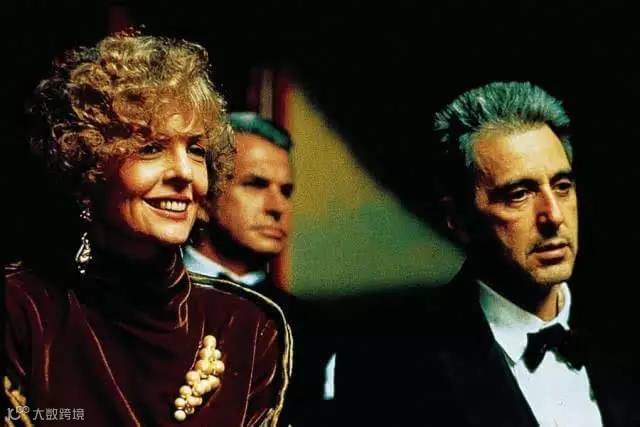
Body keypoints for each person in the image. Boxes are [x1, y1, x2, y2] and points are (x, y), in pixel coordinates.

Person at [4, 32, 291, 427]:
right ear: (88, 168)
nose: (184, 173)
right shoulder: (23, 309)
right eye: (151, 148)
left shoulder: (245, 324)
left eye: (196, 150)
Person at [338, 82, 639, 426]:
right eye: (519, 194)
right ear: (458, 218)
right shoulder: (394, 368)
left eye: (562, 186)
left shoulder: (625, 339)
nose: (554, 216)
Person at [185, 112, 335, 426]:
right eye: (255, 184)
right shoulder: (143, 297)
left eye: (286, 191)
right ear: (203, 197)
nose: (278, 207)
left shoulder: (313, 327)